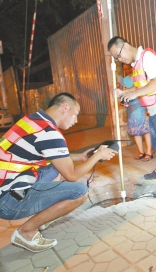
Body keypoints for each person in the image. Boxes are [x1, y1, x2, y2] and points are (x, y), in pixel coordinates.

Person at [0, 92, 118, 252]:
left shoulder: (33, 119)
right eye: (75, 114)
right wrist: (97, 156)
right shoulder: (51, 134)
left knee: (56, 168)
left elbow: (52, 157)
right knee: (80, 192)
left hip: (6, 184)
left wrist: (80, 156)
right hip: (8, 201)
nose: (76, 121)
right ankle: (26, 232)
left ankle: (45, 211)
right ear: (65, 107)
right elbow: (72, 175)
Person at [108, 36, 156, 196]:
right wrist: (124, 93)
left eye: (118, 55)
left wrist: (133, 94)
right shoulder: (136, 65)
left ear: (125, 46)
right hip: (154, 110)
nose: (120, 60)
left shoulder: (147, 56)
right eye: (116, 58)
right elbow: (142, 87)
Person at [120, 66, 153, 162]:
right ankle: (141, 152)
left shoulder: (140, 77)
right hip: (131, 107)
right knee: (135, 131)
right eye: (125, 68)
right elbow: (123, 92)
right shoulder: (125, 79)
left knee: (146, 130)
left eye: (129, 68)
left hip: (142, 105)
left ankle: (149, 153)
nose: (128, 70)